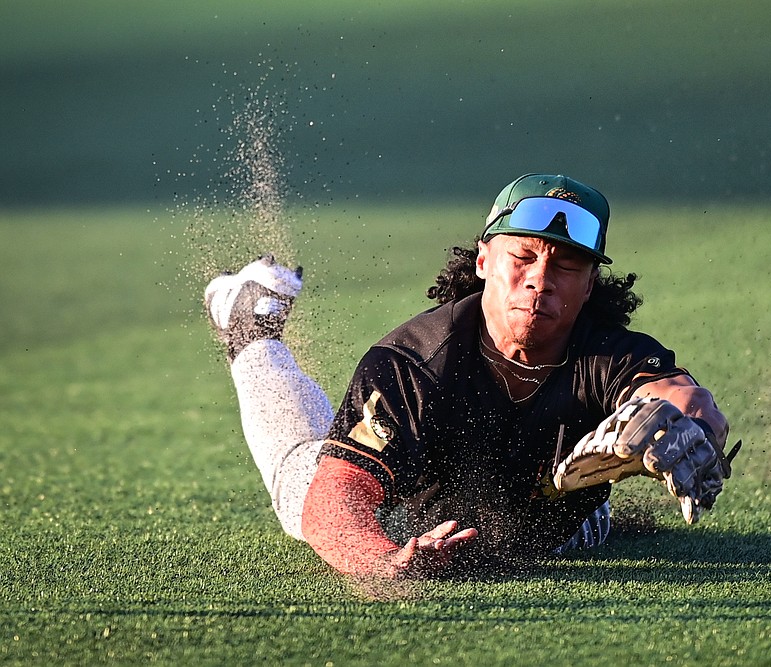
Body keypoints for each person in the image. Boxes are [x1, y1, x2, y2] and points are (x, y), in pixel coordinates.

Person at [205, 173, 734, 579]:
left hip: (552, 527)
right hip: (402, 517)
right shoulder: (412, 365)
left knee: (581, 521)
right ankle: (250, 329)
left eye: (567, 266)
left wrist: (690, 425)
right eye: (522, 257)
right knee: (304, 479)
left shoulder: (607, 351)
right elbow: (336, 500)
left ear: (591, 284)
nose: (539, 281)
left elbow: (685, 399)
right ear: (484, 260)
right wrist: (386, 562)